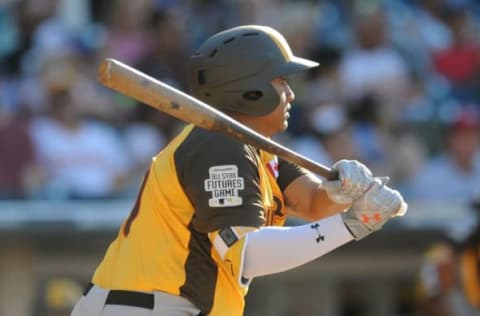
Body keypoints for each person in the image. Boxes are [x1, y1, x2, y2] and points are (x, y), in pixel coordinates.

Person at [71, 25, 407, 316]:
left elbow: (311, 203)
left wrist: (340, 193)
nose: (290, 93)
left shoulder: (254, 146)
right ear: (250, 89)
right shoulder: (219, 144)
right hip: (144, 307)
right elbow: (248, 254)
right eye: (280, 80)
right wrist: (353, 224)